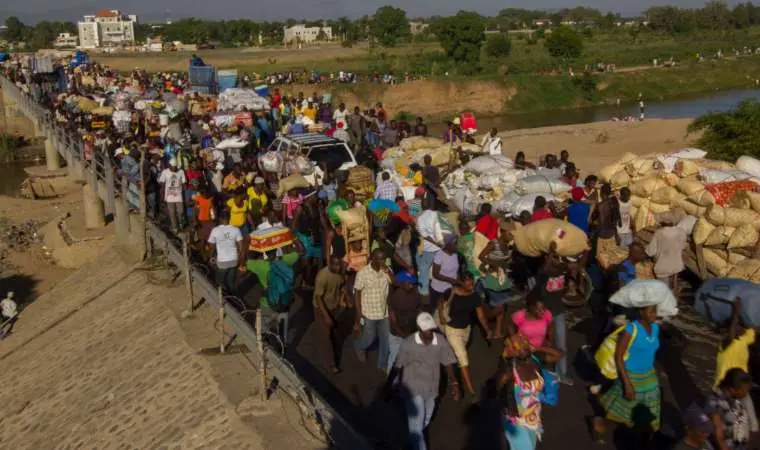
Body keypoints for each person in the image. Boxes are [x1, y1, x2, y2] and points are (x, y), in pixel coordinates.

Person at [390, 312, 458, 450]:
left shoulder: (440, 341)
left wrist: (454, 383)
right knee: (417, 426)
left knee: (425, 419)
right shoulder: (409, 343)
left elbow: (448, 362)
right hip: (412, 388)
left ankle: (411, 442)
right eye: (427, 330)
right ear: (420, 329)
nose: (431, 332)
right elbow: (398, 365)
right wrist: (388, 385)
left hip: (432, 388)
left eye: (432, 329)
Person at [593, 305, 661, 444]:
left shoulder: (655, 328)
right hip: (631, 376)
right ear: (641, 312)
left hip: (649, 377)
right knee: (618, 414)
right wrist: (627, 384)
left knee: (650, 413)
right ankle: (599, 423)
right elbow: (619, 357)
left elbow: (650, 352)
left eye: (655, 311)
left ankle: (642, 440)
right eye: (650, 311)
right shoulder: (631, 329)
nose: (653, 314)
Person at [495, 335, 563, 450]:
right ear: (512, 351)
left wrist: (538, 348)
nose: (524, 347)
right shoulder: (509, 371)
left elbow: (559, 355)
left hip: (534, 418)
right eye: (519, 346)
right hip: (517, 422)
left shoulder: (535, 360)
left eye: (524, 343)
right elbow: (494, 392)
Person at [439, 271, 491, 397]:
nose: (470, 282)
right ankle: (471, 391)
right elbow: (440, 301)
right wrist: (441, 316)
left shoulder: (475, 297)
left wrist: (488, 330)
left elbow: (481, 316)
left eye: (471, 280)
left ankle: (447, 368)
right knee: (463, 359)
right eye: (467, 280)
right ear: (461, 281)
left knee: (457, 354)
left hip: (466, 330)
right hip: (452, 330)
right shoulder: (451, 292)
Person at [714, 300, 759, 433]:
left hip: (743, 385)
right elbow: (731, 333)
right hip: (725, 387)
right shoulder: (725, 344)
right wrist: (736, 312)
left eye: (740, 325)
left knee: (751, 421)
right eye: (735, 325)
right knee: (727, 420)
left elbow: (755, 329)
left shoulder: (744, 338)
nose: (739, 328)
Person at [531, 246, 571, 384]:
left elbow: (574, 266)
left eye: (557, 257)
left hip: (558, 311)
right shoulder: (542, 273)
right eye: (553, 257)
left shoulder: (562, 270)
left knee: (561, 343)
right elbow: (544, 271)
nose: (556, 260)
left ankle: (562, 374)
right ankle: (535, 372)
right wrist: (550, 254)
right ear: (546, 258)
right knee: (542, 343)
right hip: (544, 313)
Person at [354, 249, 392, 369]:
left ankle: (382, 365)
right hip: (369, 313)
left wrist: (387, 271)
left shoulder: (386, 270)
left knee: (385, 340)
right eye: (380, 259)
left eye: (384, 259)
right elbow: (357, 293)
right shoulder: (363, 273)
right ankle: (359, 346)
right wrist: (359, 313)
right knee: (369, 339)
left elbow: (394, 282)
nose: (382, 261)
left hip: (384, 312)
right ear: (373, 258)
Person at [314, 255, 346, 374]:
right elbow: (318, 298)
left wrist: (343, 296)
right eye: (335, 265)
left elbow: (341, 285)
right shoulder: (322, 276)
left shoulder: (339, 274)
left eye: (339, 265)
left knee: (332, 332)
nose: (338, 268)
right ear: (330, 264)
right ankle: (330, 364)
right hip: (321, 308)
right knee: (326, 336)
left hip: (333, 306)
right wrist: (326, 316)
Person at [708, 368, 752, 450]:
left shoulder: (735, 396)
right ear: (732, 390)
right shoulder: (717, 403)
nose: (746, 393)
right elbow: (718, 436)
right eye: (743, 391)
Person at [387, 271, 422, 372]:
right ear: (401, 283)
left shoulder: (416, 294)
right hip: (397, 335)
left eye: (413, 283)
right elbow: (393, 322)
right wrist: (405, 336)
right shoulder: (394, 298)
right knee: (395, 358)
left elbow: (419, 310)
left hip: (411, 333)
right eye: (409, 283)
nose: (412, 285)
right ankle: (390, 383)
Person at [646, 218, 688, 297]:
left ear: (662, 223)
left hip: (663, 268)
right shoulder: (682, 232)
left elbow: (650, 252)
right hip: (677, 266)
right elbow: (683, 246)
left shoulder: (659, 233)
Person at [207, 210, 245, 295]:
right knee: (231, 281)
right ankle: (234, 296)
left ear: (220, 219)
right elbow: (241, 247)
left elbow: (211, 246)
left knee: (219, 281)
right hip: (234, 260)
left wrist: (210, 257)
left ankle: (223, 297)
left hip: (222, 261)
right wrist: (240, 259)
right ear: (229, 218)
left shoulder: (215, 230)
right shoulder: (236, 229)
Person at [293, 192, 325, 287]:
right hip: (304, 238)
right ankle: (305, 282)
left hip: (316, 236)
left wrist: (327, 230)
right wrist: (298, 243)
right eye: (315, 195)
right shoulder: (300, 208)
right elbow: (293, 227)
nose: (316, 197)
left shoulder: (317, 207)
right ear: (309, 197)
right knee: (307, 263)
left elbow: (322, 219)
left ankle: (320, 282)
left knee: (319, 260)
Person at [415, 199, 443, 298]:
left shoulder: (421, 218)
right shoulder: (437, 214)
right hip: (440, 248)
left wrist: (436, 243)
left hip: (429, 249)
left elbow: (425, 236)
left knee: (423, 268)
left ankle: (424, 291)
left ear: (421, 206)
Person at [430, 234, 460, 313]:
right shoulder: (439, 255)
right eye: (455, 243)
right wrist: (450, 279)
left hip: (450, 289)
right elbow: (435, 274)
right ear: (448, 245)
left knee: (447, 310)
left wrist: (456, 279)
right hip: (438, 290)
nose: (457, 245)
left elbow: (455, 269)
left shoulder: (455, 254)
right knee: (436, 311)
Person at [158, 158, 187, 233]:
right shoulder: (165, 172)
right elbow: (161, 183)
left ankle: (180, 223)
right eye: (173, 166)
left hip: (179, 195)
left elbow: (184, 183)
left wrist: (186, 195)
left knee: (180, 211)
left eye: (175, 166)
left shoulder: (181, 171)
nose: (174, 168)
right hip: (169, 196)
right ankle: (175, 227)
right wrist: (162, 194)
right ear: (169, 165)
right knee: (172, 213)